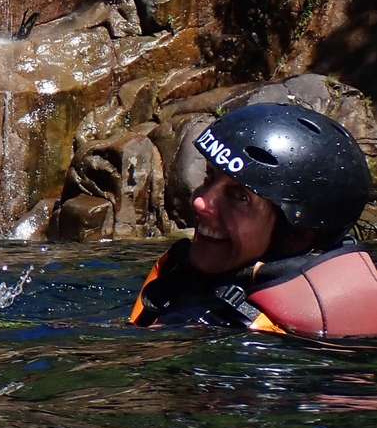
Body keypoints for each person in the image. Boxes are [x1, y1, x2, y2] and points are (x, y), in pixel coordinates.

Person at [130, 103, 377, 339]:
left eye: (239, 197)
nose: (200, 202)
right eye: (209, 177)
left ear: (296, 235)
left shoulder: (290, 353)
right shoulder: (187, 285)